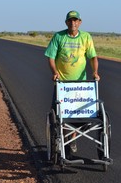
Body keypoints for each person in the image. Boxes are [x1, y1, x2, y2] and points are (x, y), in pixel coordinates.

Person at [45, 10, 100, 152]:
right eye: (70, 21)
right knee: (61, 114)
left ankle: (72, 139)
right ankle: (62, 140)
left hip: (80, 85)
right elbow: (51, 57)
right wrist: (55, 72)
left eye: (75, 21)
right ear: (66, 22)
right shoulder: (59, 37)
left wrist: (95, 72)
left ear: (80, 22)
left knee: (77, 114)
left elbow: (92, 57)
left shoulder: (86, 37)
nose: (73, 23)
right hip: (62, 84)